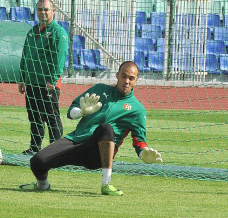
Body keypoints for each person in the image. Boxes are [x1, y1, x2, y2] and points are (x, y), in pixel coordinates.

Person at [19, 61, 163, 196]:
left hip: (98, 154)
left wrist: (143, 153)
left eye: (131, 78)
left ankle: (106, 184)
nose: (126, 81)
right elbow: (70, 112)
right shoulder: (100, 89)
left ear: (136, 80)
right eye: (123, 76)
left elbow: (139, 141)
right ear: (117, 75)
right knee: (37, 161)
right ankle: (42, 185)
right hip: (76, 141)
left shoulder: (137, 109)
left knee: (105, 128)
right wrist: (81, 112)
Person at [18, 0, 69, 155]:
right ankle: (35, 148)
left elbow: (59, 59)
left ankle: (56, 151)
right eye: (40, 9)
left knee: (51, 117)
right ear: (36, 10)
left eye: (46, 9)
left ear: (53, 10)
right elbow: (25, 56)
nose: (43, 12)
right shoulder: (32, 31)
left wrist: (52, 80)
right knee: (34, 117)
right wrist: (22, 78)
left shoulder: (58, 32)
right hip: (32, 83)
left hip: (48, 84)